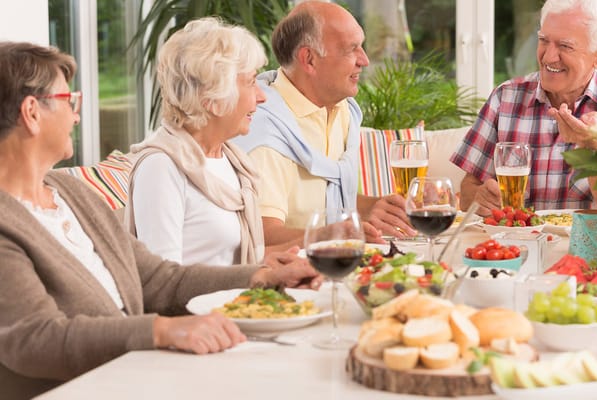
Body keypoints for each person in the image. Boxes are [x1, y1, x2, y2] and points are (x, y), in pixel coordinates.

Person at [0, 41, 320, 399]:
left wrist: (261, 276)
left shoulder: (71, 194)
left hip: (136, 374)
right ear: (31, 112)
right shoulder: (6, 223)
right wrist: (162, 331)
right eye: (68, 101)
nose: (77, 115)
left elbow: (158, 278)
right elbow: (35, 338)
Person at [232, 1, 416, 247]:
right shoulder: (263, 129)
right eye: (351, 49)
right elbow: (262, 235)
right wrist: (333, 236)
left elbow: (323, 194)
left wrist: (371, 207)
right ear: (309, 59)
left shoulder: (342, 110)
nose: (365, 60)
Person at [126, 17, 302, 267]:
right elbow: (162, 282)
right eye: (251, 82)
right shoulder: (162, 168)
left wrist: (313, 245)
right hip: (199, 307)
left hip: (240, 300)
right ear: (213, 97)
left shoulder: (232, 160)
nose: (262, 97)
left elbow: (229, 261)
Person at [450, 0, 597, 217]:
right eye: (544, 40)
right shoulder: (505, 97)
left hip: (592, 248)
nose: (548, 56)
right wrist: (481, 199)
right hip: (517, 246)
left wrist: (591, 146)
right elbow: (468, 190)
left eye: (565, 46)